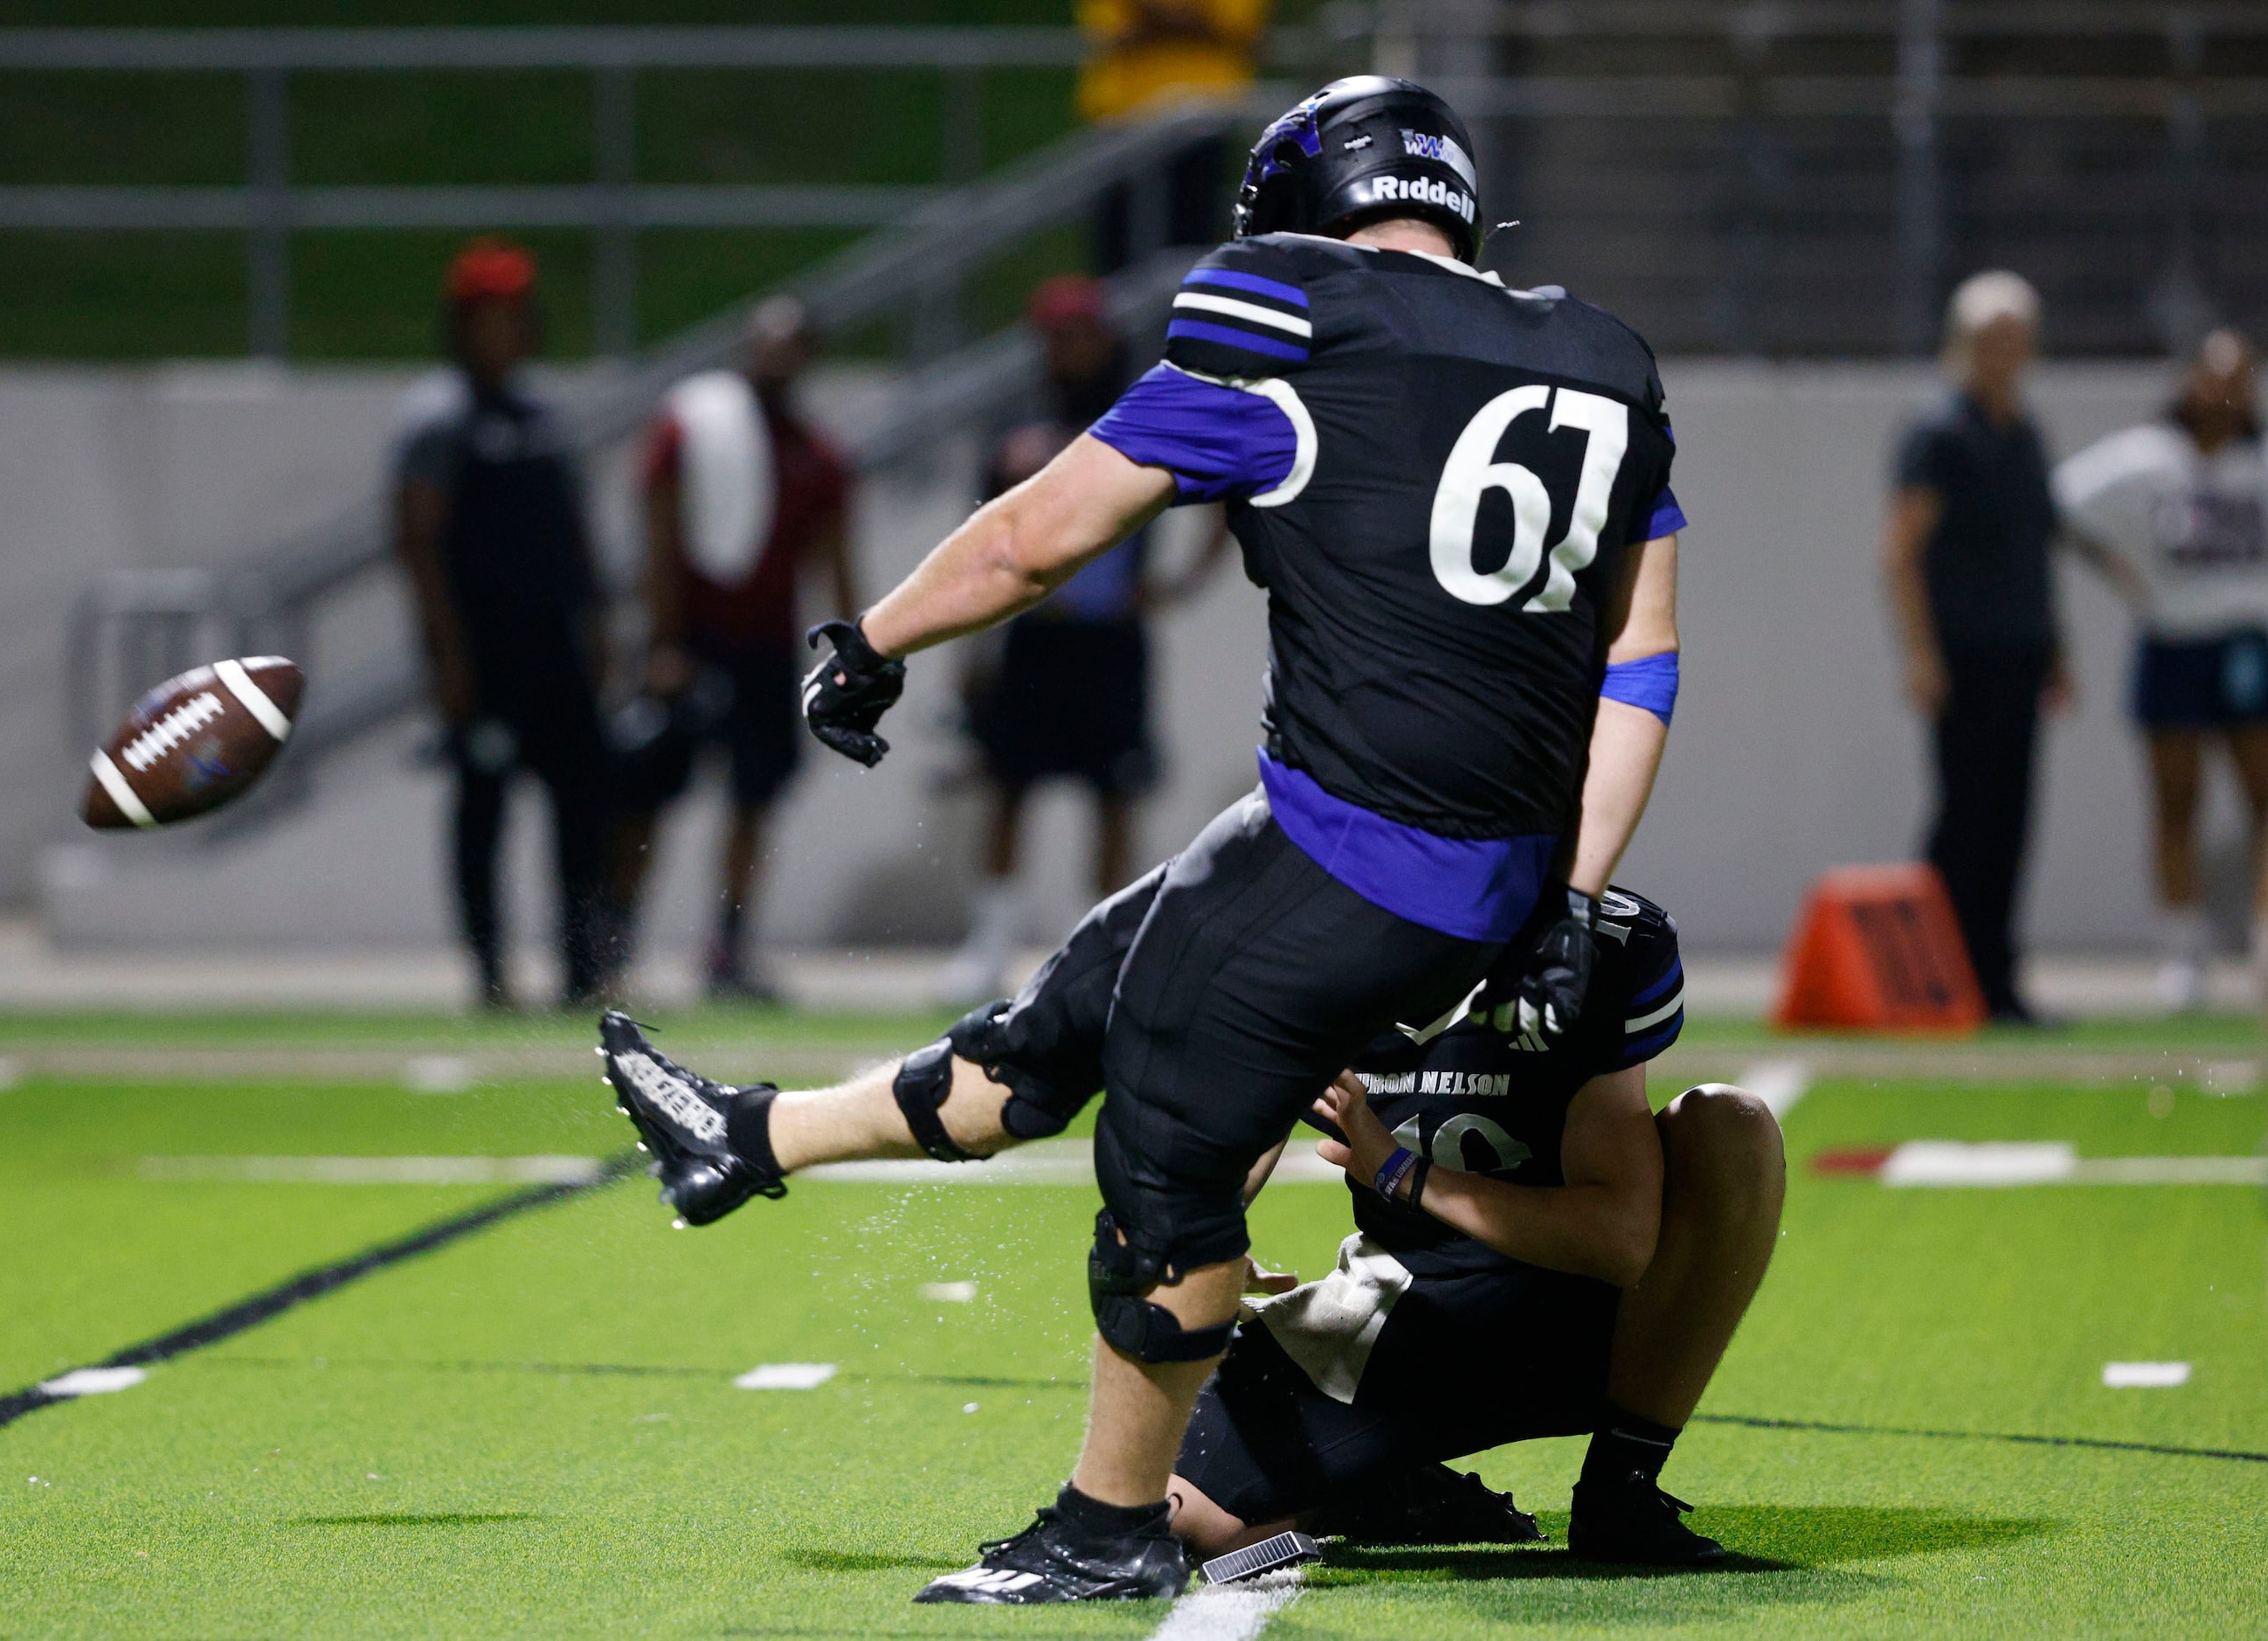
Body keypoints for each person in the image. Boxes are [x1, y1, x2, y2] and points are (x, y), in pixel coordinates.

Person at [605, 78, 1685, 1603]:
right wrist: (1566, 888)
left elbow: (1038, 533)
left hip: (1354, 851)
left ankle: (1107, 1520)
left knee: (1168, 1141)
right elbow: (1640, 657)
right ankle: (748, 1137)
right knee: (1074, 1012)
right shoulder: (1602, 357)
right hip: (1471, 858)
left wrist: (875, 637)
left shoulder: (1289, 309)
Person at [1168, 889, 1783, 1569]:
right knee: (1196, 1526)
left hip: (1594, 1315)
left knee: (1729, 1127)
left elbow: (1619, 1241)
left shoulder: (1591, 947)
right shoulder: (1286, 944)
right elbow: (1233, 1125)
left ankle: (1622, 1487)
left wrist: (1402, 1171)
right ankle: (1385, 1484)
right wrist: (1208, 1230)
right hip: (1403, 1310)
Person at [940, 274, 1232, 1003]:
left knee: (1113, 792)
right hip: (1033, 632)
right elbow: (979, 537)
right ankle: (992, 942)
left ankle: (1104, 942)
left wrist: (1174, 587)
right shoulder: (1018, 429)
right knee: (1009, 787)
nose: (1071, 350)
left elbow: (1221, 499)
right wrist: (970, 648)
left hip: (1109, 637)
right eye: (1058, 337)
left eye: (1083, 335)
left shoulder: (1141, 415)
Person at [610, 296, 858, 1001]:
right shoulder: (696, 427)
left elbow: (836, 561)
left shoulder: (817, 454)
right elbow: (658, 532)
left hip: (766, 648)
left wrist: (854, 655)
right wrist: (662, 639)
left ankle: (727, 946)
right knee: (649, 794)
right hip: (692, 640)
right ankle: (614, 940)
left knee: (754, 799)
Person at [391, 239, 615, 1010]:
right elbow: (418, 542)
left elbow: (574, 534)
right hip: (486, 651)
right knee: (483, 805)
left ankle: (583, 966)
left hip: (555, 643)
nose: (504, 332)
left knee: (582, 804)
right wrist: (445, 658)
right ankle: (489, 968)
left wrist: (598, 626)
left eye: (515, 316)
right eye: (489, 317)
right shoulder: (438, 420)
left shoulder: (545, 416)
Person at [2055, 331, 2268, 1009]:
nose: (2225, 392)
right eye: (2215, 377)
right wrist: (2122, 573)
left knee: (2265, 803)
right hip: (2172, 639)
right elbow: (2061, 506)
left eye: (2240, 378)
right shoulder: (2144, 460)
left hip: (2243, 640)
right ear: (2187, 382)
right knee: (2175, 800)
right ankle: (2182, 952)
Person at [1884, 270, 2064, 1025]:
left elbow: (2035, 551)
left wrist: (2056, 651)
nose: (2005, 354)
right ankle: (1939, 979)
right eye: (1992, 339)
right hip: (1962, 654)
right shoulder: (1938, 433)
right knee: (1965, 820)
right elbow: (1900, 551)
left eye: (2016, 339)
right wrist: (1920, 653)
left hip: (2021, 650)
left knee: (2013, 819)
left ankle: (1997, 980)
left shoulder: (2025, 433)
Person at [1076, 0, 1269, 274]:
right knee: (1117, 258)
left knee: (1191, 247)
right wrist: (1194, 17)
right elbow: (1113, 29)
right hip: (1123, 119)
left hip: (1207, 118)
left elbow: (1235, 27)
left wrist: (1152, 14)